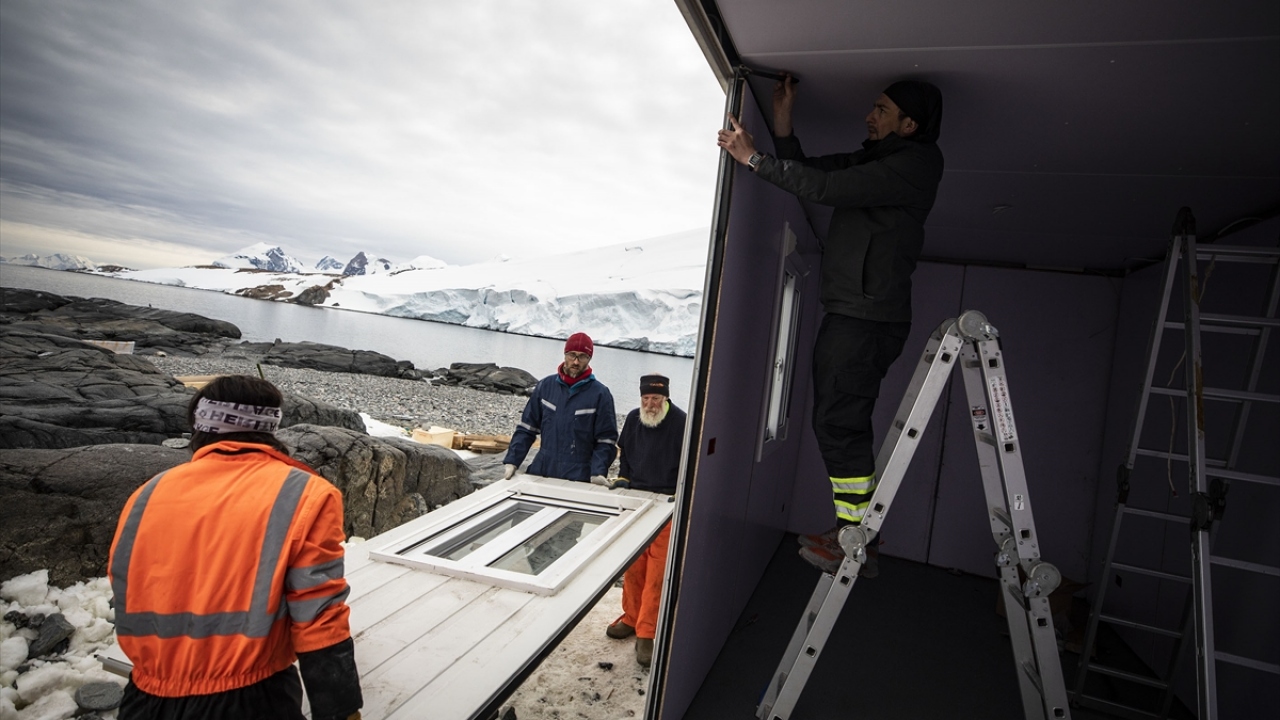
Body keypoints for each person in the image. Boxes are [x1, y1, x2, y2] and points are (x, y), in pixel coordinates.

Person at [716, 77, 945, 576]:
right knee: (838, 423)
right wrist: (781, 126)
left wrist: (753, 159)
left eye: (881, 110)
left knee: (838, 424)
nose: (870, 115)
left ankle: (856, 541)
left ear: (910, 124)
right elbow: (814, 171)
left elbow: (827, 188)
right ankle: (856, 534)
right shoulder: (878, 159)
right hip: (856, 314)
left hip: (866, 318)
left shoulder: (914, 164)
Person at [109, 375, 363, 720]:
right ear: (271, 425)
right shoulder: (307, 494)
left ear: (199, 426)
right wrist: (340, 708)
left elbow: (125, 583)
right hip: (252, 698)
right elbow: (318, 612)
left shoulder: (149, 492)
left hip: (145, 697)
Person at [600, 373, 686, 667]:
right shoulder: (635, 419)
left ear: (666, 398)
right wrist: (623, 479)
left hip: (666, 505)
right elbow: (625, 456)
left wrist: (681, 493)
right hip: (637, 501)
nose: (650, 405)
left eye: (656, 399)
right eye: (646, 399)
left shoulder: (682, 423)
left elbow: (692, 463)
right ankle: (631, 618)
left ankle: (647, 633)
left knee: (657, 573)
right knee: (634, 566)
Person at [502, 332, 619, 483]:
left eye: (582, 357)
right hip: (543, 468)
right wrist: (513, 460)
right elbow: (527, 428)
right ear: (565, 354)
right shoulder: (545, 386)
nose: (576, 362)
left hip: (579, 474)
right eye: (572, 355)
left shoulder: (600, 394)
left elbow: (606, 441)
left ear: (589, 359)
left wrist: (597, 471)